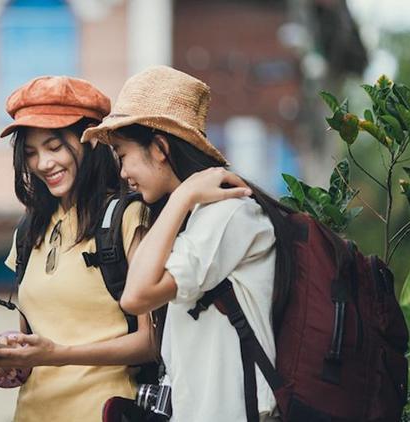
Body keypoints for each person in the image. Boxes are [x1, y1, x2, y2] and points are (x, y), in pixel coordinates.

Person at [81, 66, 291, 422]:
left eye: (123, 154)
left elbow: (135, 297)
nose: (121, 172)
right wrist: (182, 201)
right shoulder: (192, 219)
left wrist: (183, 197)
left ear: (160, 147)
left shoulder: (228, 214)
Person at [0, 75, 156, 421]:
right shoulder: (29, 230)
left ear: (91, 141)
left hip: (106, 412)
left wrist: (58, 353)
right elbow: (35, 340)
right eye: (31, 153)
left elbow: (151, 343)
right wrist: (10, 362)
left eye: (54, 146)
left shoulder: (127, 216)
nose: (43, 163)